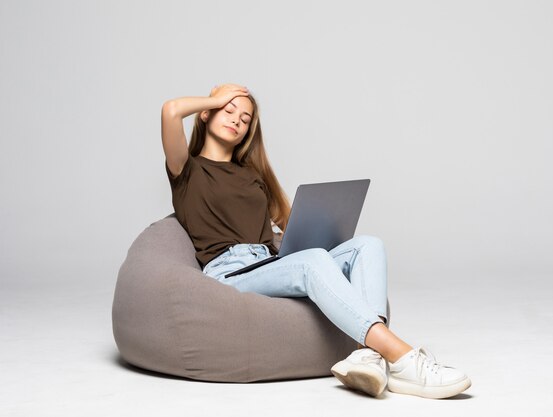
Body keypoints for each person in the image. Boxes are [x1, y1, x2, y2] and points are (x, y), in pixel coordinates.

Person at [161, 83, 471, 399]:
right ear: (205, 114)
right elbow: (170, 111)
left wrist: (320, 230)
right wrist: (218, 97)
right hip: (228, 273)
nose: (237, 120)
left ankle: (370, 356)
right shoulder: (187, 170)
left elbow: (291, 221)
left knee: (368, 244)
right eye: (228, 110)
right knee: (311, 262)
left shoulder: (253, 175)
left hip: (268, 263)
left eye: (245, 117)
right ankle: (403, 358)